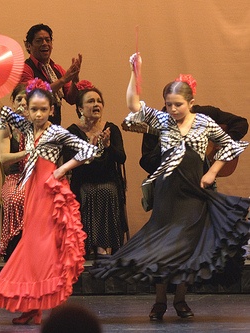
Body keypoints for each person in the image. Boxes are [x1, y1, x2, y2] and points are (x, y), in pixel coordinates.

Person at [91, 53, 250, 321]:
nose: (172, 110)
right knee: (163, 244)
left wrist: (212, 171)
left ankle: (180, 299)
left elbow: (230, 145)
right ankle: (160, 300)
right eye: (168, 105)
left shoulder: (204, 122)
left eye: (177, 105)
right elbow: (133, 105)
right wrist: (135, 72)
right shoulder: (163, 121)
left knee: (186, 246)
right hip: (168, 192)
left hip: (194, 192)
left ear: (191, 102)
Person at [0, 65, 101, 325]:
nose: (37, 114)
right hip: (32, 191)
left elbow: (88, 151)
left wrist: (61, 170)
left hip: (50, 193)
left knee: (44, 248)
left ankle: (47, 303)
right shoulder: (25, 128)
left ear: (52, 110)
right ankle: (33, 305)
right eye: (33, 109)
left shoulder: (56, 132)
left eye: (43, 109)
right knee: (31, 249)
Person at [63, 80, 127, 257]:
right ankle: (88, 245)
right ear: (80, 109)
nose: (96, 104)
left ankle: (104, 247)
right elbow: (69, 162)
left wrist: (107, 146)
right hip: (83, 181)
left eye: (99, 101)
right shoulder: (73, 132)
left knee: (107, 190)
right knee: (89, 191)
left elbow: (121, 157)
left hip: (108, 180)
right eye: (90, 101)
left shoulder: (111, 129)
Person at [21, 23, 82, 125]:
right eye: (39, 41)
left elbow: (72, 99)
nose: (44, 43)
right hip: (32, 128)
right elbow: (34, 95)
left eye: (48, 40)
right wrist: (63, 80)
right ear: (28, 46)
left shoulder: (56, 68)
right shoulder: (25, 68)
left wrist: (74, 80)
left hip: (53, 129)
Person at [0, 83, 27, 262]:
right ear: (13, 103)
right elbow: (4, 158)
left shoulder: (41, 124)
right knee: (17, 197)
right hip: (15, 177)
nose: (23, 103)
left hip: (37, 176)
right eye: (19, 99)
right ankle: (15, 247)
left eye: (27, 99)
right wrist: (26, 152)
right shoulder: (6, 125)